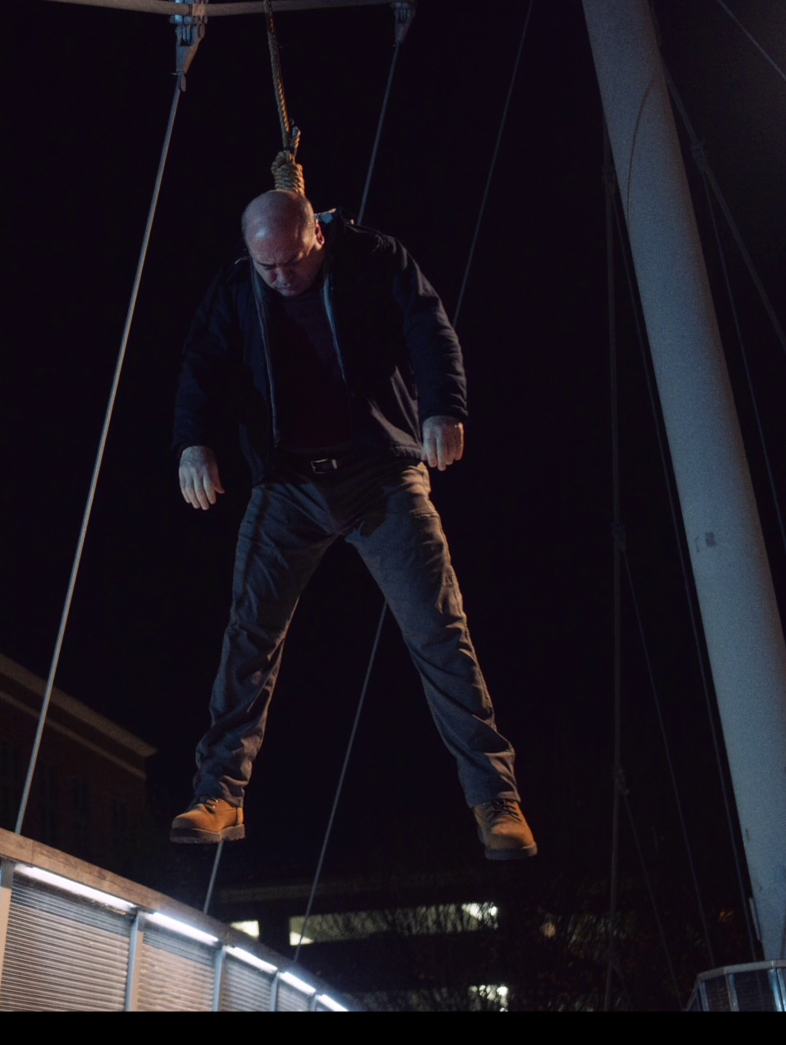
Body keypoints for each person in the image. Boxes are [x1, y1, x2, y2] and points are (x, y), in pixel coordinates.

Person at [169, 189, 536, 861]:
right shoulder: (237, 285)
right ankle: (218, 793)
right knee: (249, 635)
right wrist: (194, 442)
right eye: (266, 266)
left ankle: (496, 798)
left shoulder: (375, 257)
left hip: (381, 476)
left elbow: (429, 327)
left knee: (438, 630)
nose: (280, 278)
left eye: (292, 262)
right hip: (289, 485)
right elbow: (202, 362)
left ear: (317, 234)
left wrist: (443, 406)